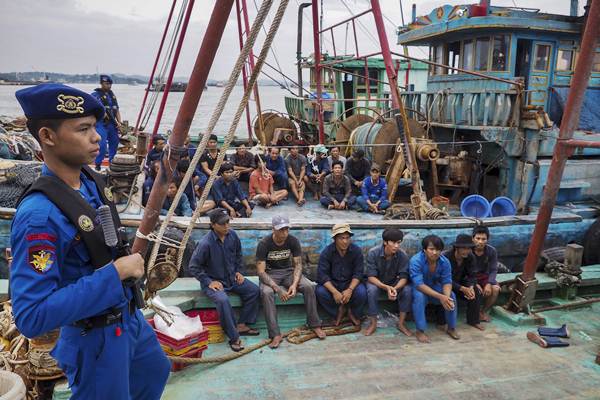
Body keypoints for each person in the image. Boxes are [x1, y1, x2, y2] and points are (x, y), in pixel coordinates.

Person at [11, 84, 170, 399]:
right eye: (83, 129)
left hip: (127, 319)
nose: (97, 136)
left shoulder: (90, 183)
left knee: (154, 371)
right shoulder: (39, 217)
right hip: (94, 335)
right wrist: (117, 274)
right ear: (47, 136)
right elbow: (31, 316)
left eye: (95, 127)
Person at [188, 208, 261, 352]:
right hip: (214, 282)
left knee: (254, 290)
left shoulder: (232, 235)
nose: (227, 226)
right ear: (213, 225)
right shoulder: (205, 244)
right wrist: (209, 282)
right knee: (222, 300)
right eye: (223, 224)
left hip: (232, 278)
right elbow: (193, 267)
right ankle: (234, 337)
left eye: (228, 222)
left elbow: (239, 255)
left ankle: (242, 325)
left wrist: (239, 271)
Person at [256, 216, 325, 349]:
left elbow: (298, 265)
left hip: (288, 272)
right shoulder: (264, 244)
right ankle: (275, 334)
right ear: (273, 229)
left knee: (309, 286)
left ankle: (315, 324)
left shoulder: (293, 241)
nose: (284, 233)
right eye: (281, 230)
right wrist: (277, 288)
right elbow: (261, 271)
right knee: (266, 292)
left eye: (286, 229)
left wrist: (294, 285)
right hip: (270, 274)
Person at [410, 235, 459, 343]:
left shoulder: (444, 261)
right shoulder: (416, 260)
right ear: (424, 249)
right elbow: (419, 285)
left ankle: (451, 327)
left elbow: (447, 281)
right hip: (419, 288)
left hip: (435, 286)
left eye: (438, 250)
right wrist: (440, 297)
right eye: (431, 249)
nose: (435, 252)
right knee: (419, 298)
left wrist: (446, 297)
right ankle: (420, 330)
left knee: (451, 296)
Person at [316, 223, 367, 326]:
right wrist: (334, 292)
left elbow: (358, 273)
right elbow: (322, 275)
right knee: (320, 291)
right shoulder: (327, 252)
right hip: (333, 283)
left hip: (350, 283)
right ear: (335, 239)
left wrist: (350, 289)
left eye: (347, 238)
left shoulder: (356, 251)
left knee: (361, 292)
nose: (345, 241)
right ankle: (338, 312)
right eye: (341, 238)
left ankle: (353, 313)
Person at [364, 228, 413, 336]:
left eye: (398, 243)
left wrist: (394, 289)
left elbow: (404, 277)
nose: (396, 246)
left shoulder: (402, 255)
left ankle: (401, 323)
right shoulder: (373, 253)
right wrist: (386, 287)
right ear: (385, 242)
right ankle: (373, 323)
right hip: (378, 283)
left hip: (394, 284)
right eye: (393, 242)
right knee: (371, 289)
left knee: (408, 290)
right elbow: (371, 277)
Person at [443, 234, 484, 331]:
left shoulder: (470, 257)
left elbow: (472, 275)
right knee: (450, 295)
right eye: (463, 248)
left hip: (460, 282)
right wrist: (462, 288)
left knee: (475, 291)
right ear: (457, 248)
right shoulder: (446, 257)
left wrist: (470, 287)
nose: (466, 251)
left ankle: (473, 320)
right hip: (445, 284)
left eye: (469, 248)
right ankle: (445, 323)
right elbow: (445, 279)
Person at [91, 75, 123, 170]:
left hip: (112, 124)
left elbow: (116, 109)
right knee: (102, 145)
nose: (109, 86)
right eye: (106, 84)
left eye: (110, 84)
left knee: (115, 142)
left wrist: (119, 122)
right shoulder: (95, 95)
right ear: (101, 84)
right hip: (101, 123)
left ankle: (112, 163)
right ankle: (97, 164)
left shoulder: (112, 95)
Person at [472, 226, 501, 322]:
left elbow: (493, 269)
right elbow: (465, 271)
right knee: (476, 291)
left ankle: (483, 312)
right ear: (473, 238)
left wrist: (489, 283)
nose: (480, 242)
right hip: (470, 277)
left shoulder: (491, 251)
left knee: (495, 289)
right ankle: (474, 313)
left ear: (487, 240)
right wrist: (474, 283)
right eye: (478, 238)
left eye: (483, 239)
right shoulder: (468, 251)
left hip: (484, 276)